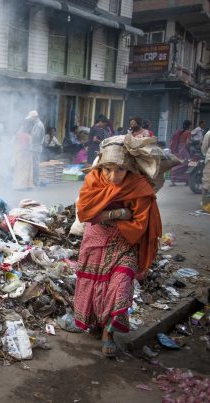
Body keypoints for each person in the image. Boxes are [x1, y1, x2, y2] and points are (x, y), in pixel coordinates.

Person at [74, 135, 162, 357]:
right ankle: (96, 323)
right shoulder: (93, 179)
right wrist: (121, 212)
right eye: (108, 170)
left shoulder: (139, 186)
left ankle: (109, 333)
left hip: (125, 242)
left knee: (121, 284)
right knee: (94, 285)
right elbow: (86, 213)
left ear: (130, 169)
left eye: (120, 170)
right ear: (101, 167)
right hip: (95, 239)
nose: (113, 177)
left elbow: (139, 222)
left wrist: (105, 214)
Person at [169, 120, 192, 185]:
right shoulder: (188, 132)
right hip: (183, 150)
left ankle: (173, 179)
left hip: (177, 150)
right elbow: (187, 142)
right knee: (186, 163)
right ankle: (186, 180)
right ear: (189, 125)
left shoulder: (179, 131)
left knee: (178, 163)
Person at [13, 121, 34, 190]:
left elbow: (15, 143)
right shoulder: (28, 136)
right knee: (26, 170)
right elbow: (30, 146)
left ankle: (18, 184)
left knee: (19, 169)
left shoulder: (18, 135)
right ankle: (25, 185)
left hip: (19, 153)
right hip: (26, 153)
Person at [26, 110, 45, 186]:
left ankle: (35, 182)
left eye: (31, 118)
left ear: (34, 117)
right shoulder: (36, 124)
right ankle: (34, 181)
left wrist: (28, 136)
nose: (30, 120)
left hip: (36, 148)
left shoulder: (39, 125)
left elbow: (35, 137)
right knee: (34, 165)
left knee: (35, 166)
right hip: (34, 148)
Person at [201, 128, 210, 207]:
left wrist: (205, 154)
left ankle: (204, 202)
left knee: (206, 181)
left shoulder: (208, 133)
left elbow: (204, 147)